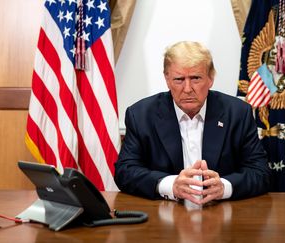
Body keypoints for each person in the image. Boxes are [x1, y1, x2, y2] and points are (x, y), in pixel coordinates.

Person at [114, 41, 270, 205]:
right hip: (164, 217)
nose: (187, 88)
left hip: (221, 215)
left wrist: (224, 187)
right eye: (179, 79)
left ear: (210, 78)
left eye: (195, 78)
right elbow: (125, 172)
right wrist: (170, 185)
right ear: (167, 79)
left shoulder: (238, 113)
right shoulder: (141, 115)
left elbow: (260, 172)